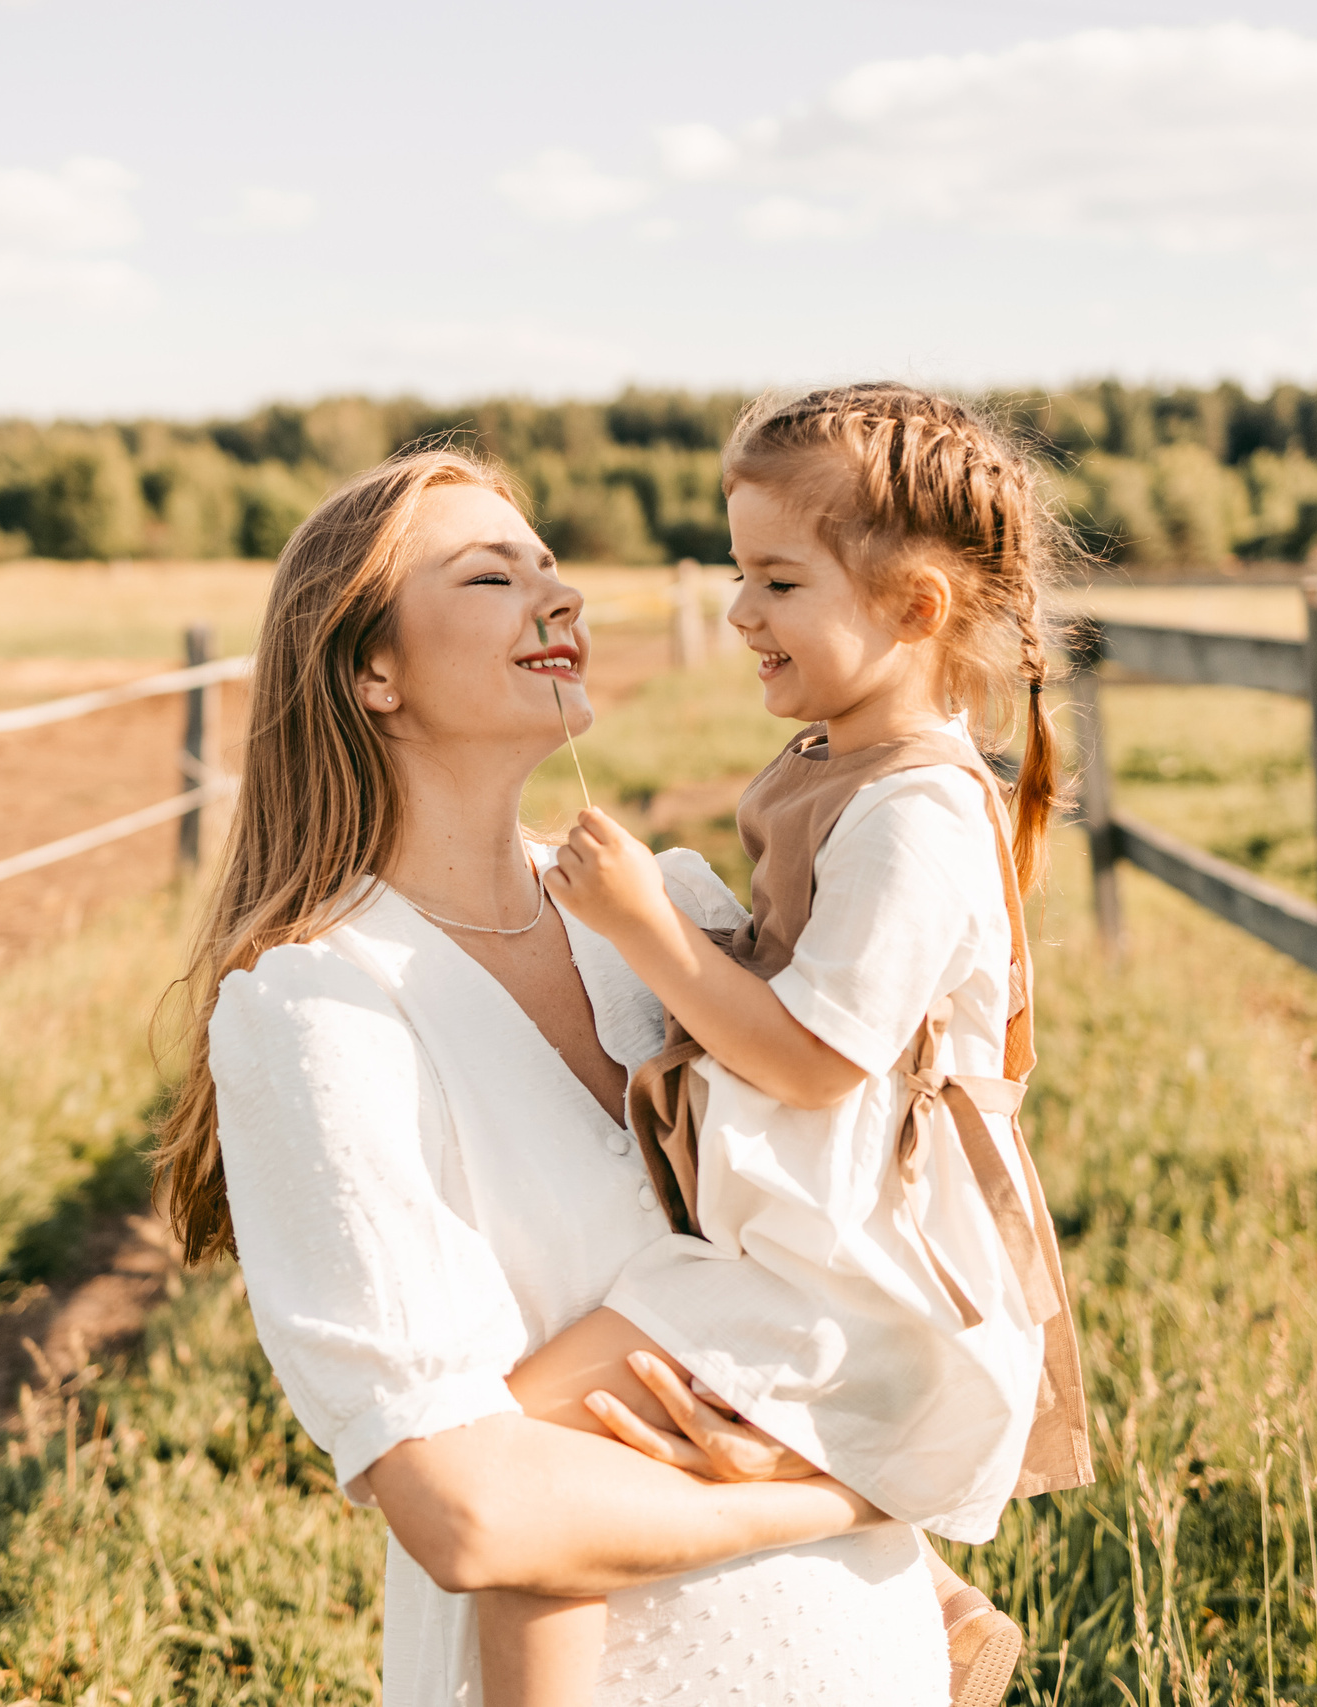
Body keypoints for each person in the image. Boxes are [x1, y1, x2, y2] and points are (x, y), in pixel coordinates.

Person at [162, 447, 952, 1707]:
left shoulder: (670, 915)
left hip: (865, 1653)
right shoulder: (323, 1008)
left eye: (549, 568)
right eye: (491, 577)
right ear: (372, 673)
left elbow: (868, 1249)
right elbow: (469, 1512)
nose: (560, 597)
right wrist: (845, 1487)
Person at [477, 383, 1095, 1707]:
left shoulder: (916, 814)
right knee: (530, 1446)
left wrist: (648, 925)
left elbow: (818, 1059)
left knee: (496, 1451)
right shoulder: (843, 762)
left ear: (915, 608)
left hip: (840, 1279)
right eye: (736, 574)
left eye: (777, 580)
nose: (741, 613)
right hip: (793, 1243)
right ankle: (927, 1599)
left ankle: (891, 1564)